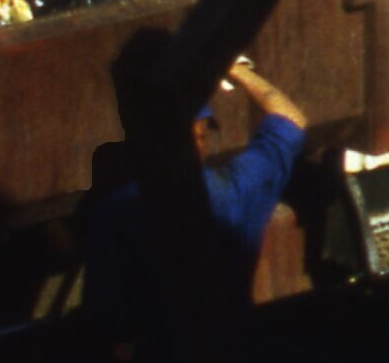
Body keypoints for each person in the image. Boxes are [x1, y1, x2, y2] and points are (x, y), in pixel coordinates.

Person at [78, 56, 309, 339]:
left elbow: (104, 314)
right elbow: (290, 119)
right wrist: (236, 70)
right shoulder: (237, 187)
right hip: (229, 349)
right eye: (199, 136)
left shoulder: (117, 210)